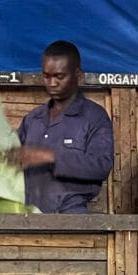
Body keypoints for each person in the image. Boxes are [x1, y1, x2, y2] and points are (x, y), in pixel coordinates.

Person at [16, 41, 113, 214]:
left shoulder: (94, 117)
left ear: (78, 75)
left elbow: (101, 166)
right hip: (28, 215)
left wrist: (51, 156)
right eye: (46, 76)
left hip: (70, 216)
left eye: (59, 77)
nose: (52, 83)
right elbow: (13, 155)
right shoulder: (33, 119)